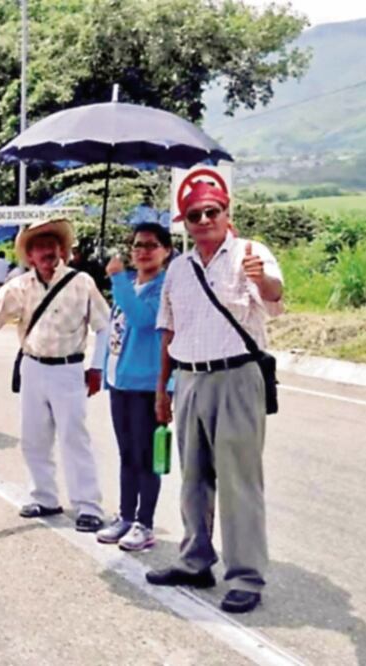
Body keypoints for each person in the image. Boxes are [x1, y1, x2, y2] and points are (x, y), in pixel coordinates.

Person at [145, 182, 284, 615]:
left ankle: (245, 577)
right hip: (188, 378)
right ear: (184, 224)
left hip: (237, 375)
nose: (204, 220)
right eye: (195, 215)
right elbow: (169, 330)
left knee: (239, 480)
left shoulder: (250, 253)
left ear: (226, 214)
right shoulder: (179, 268)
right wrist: (163, 389)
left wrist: (262, 279)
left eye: (212, 211)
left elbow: (275, 296)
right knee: (193, 478)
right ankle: (195, 561)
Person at [0, 218, 110, 532]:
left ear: (62, 249)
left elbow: (104, 325)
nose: (46, 252)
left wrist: (97, 367)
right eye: (39, 247)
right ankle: (44, 497)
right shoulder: (21, 285)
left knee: (74, 439)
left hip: (69, 369)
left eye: (51, 245)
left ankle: (88, 506)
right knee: (33, 438)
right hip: (33, 366)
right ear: (29, 255)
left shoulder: (81, 282)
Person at [95, 223, 173, 552]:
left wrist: (115, 279)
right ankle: (126, 515)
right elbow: (115, 331)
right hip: (121, 382)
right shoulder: (128, 284)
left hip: (147, 385)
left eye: (151, 245)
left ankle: (145, 523)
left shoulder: (164, 288)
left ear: (166, 251)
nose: (143, 251)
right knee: (127, 454)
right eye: (138, 245)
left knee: (146, 457)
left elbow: (143, 319)